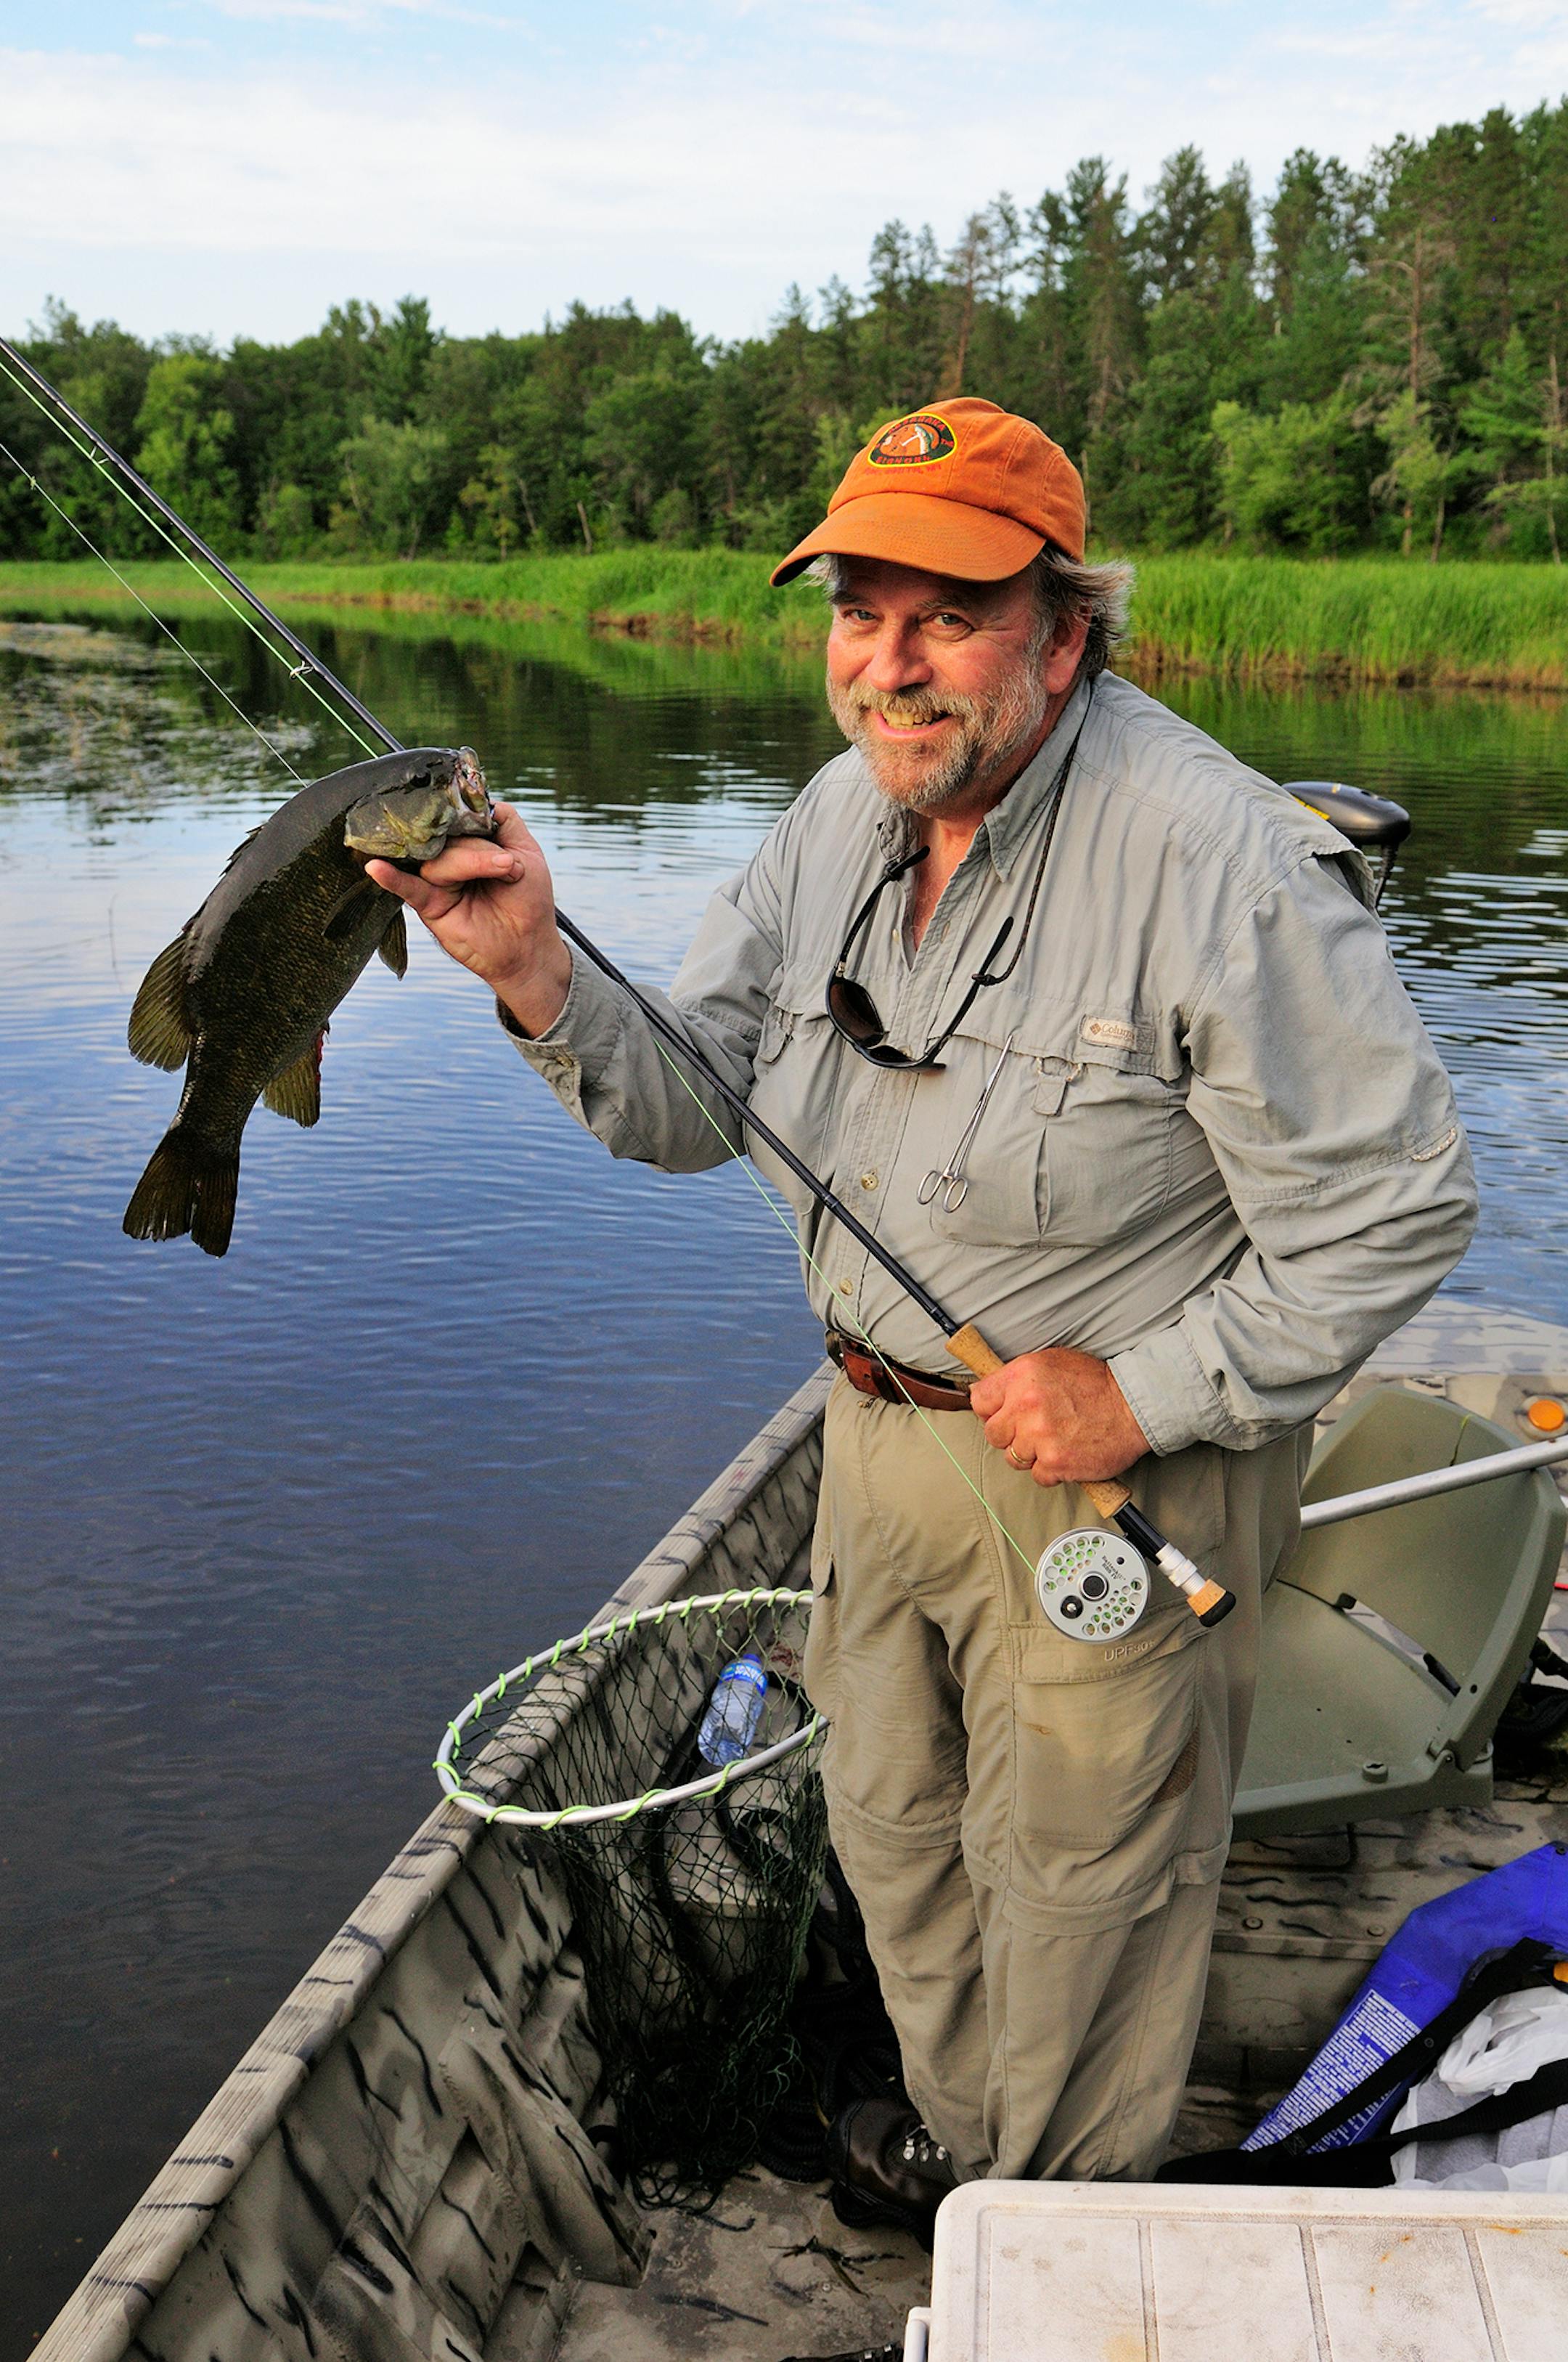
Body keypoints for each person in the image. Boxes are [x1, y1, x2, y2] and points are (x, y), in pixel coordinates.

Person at [367, 398, 1477, 2239]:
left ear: (1063, 626)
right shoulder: (836, 813)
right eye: (855, 610)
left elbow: (1398, 1208)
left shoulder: (1223, 861)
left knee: (1084, 1897)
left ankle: (1062, 2250)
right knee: (893, 1840)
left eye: (945, 614)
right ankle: (982, 2167)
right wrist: (536, 968)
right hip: (871, 1447)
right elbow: (689, 1103)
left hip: (1123, 1490)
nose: (890, 664)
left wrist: (1143, 1393)